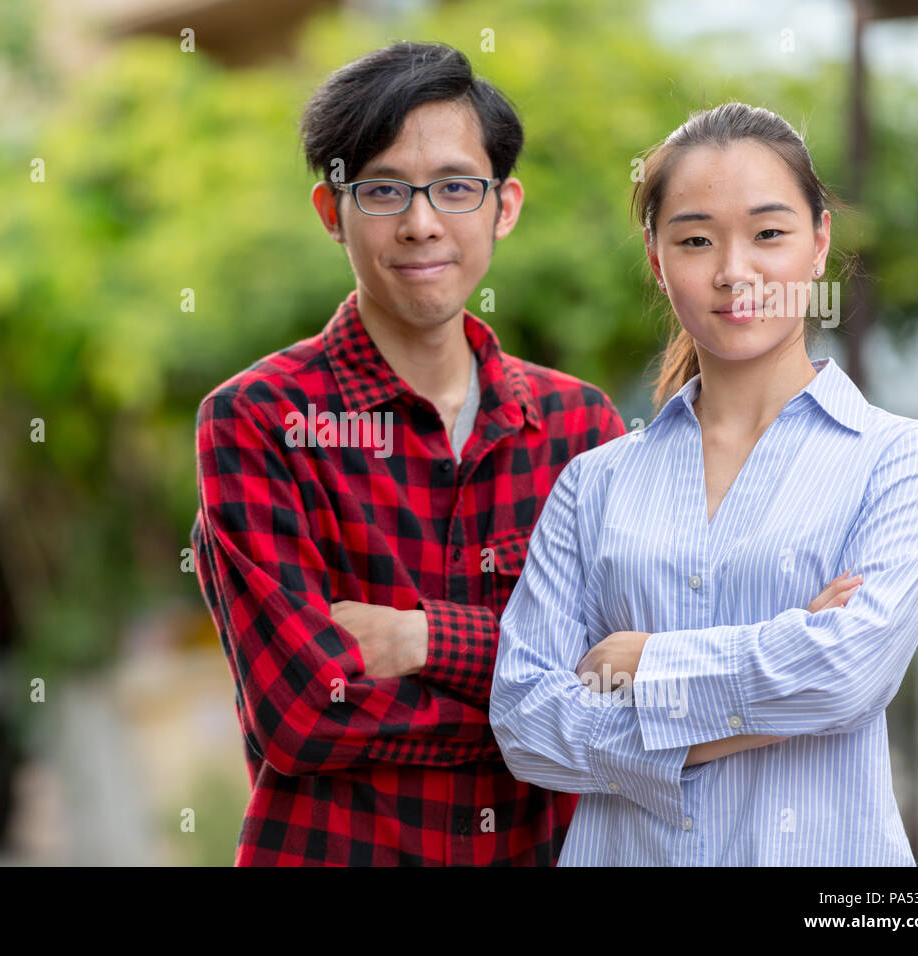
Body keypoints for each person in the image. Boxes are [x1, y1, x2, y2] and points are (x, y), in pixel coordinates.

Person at [189, 41, 630, 865]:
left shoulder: (581, 428)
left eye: (457, 188)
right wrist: (539, 693)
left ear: (504, 206)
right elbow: (304, 717)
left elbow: (627, 692)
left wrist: (424, 639)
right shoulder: (259, 421)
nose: (422, 222)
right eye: (385, 189)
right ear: (332, 211)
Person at [490, 102, 918, 865]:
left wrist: (641, 662)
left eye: (768, 233)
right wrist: (781, 666)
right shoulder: (594, 484)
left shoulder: (902, 461)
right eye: (696, 239)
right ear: (656, 258)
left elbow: (844, 675)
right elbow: (525, 725)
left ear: (819, 242)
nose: (733, 271)